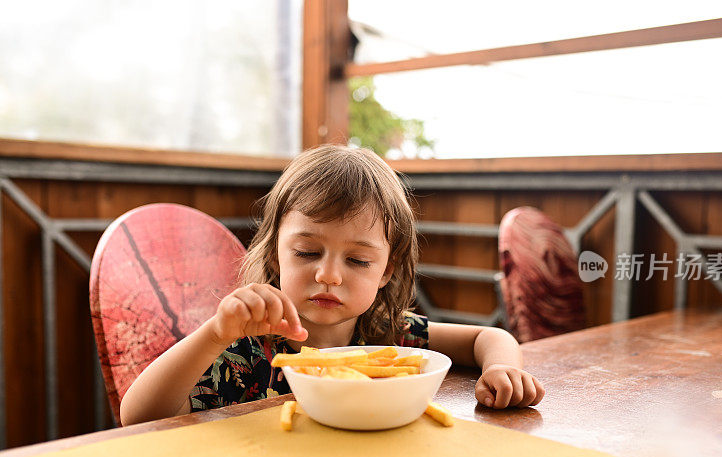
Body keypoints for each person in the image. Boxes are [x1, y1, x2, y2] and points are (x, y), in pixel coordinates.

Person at [120, 145, 544, 426]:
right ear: (275, 255)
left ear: (387, 270)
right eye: (307, 253)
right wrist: (214, 334)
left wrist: (502, 368)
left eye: (358, 260)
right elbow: (138, 417)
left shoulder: (387, 335)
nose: (329, 275)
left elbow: (488, 337)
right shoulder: (246, 350)